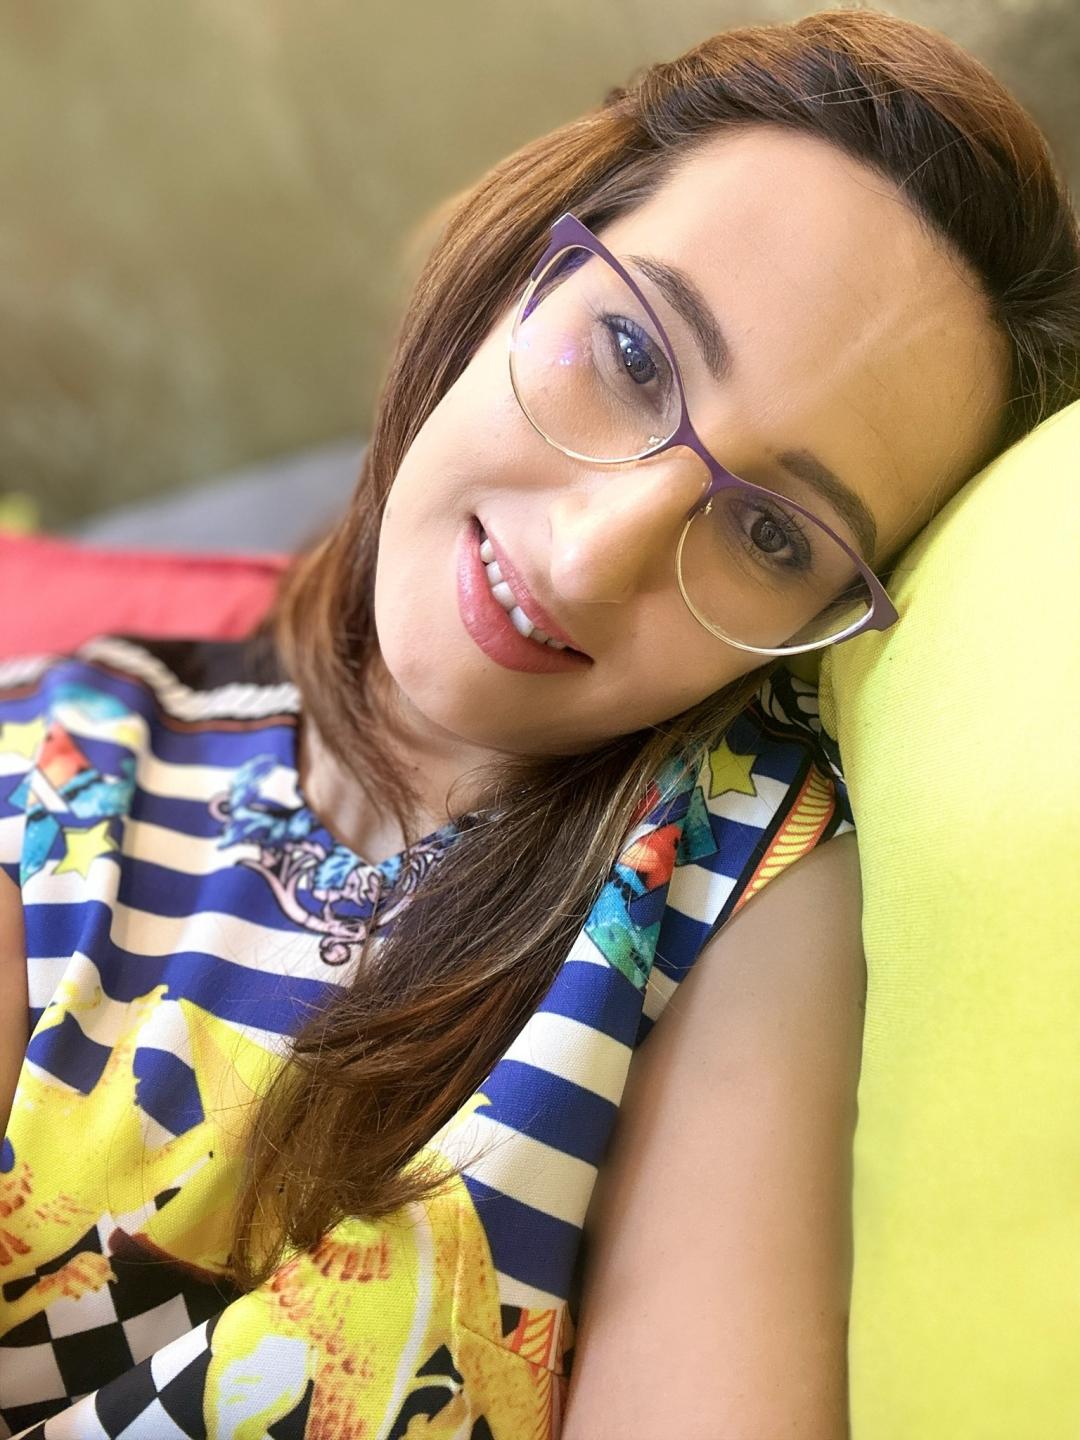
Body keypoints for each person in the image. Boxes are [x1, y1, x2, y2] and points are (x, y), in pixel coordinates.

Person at [1, 9, 1078, 1437]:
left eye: (769, 533)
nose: (589, 556)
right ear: (519, 260)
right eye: (630, 352)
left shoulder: (731, 877)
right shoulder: (63, 751)